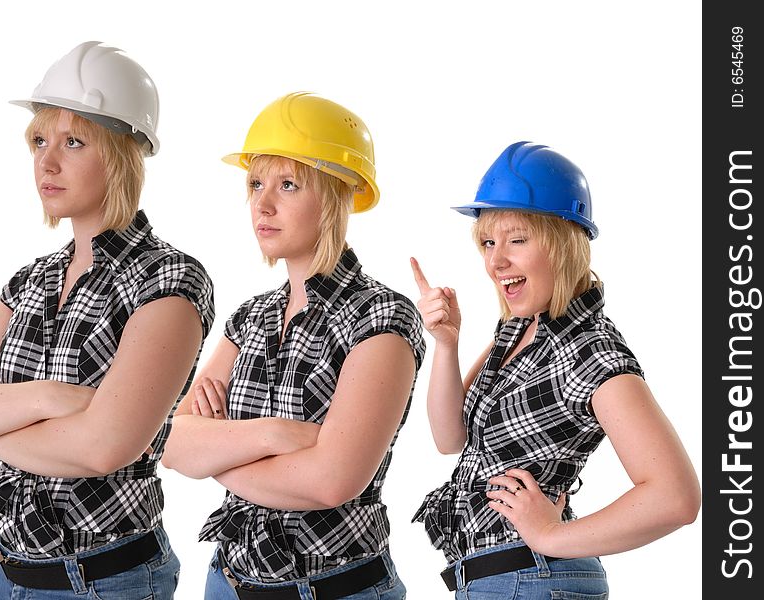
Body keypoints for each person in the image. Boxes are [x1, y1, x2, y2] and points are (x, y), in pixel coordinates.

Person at [0, 41, 214, 599]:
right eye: (39, 140)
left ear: (123, 154)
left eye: (73, 142)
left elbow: (102, 448)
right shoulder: (31, 279)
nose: (46, 161)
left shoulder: (169, 281)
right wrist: (45, 400)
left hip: (100, 577)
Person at [161, 92, 425, 599]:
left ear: (336, 195)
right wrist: (277, 435)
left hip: (333, 588)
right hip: (227, 583)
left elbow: (331, 482)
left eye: (287, 185)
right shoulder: (251, 317)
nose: (263, 203)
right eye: (256, 183)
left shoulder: (383, 319)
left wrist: (218, 453)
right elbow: (171, 446)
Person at [410, 141, 700, 599]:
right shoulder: (518, 328)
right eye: (488, 242)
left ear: (565, 242)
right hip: (503, 580)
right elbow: (451, 440)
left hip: (531, 578)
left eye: (517, 240)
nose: (495, 260)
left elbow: (676, 498)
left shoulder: (593, 353)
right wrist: (447, 345)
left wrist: (550, 534)